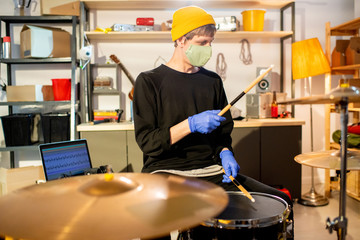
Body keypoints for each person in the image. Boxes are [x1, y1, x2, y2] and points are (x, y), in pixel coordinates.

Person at [133, 6, 293, 239]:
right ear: (180, 40)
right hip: (165, 172)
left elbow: (222, 134)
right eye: (202, 43)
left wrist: (226, 152)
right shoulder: (149, 82)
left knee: (281, 201)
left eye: (211, 42)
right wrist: (190, 124)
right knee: (153, 220)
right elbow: (147, 143)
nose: (208, 48)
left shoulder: (212, 81)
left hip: (211, 171)